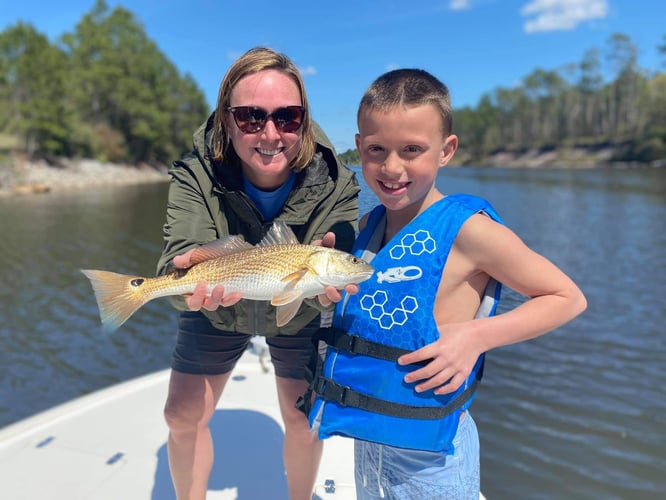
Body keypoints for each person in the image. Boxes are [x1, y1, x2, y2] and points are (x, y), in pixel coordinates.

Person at [306, 69, 588, 499]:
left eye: (412, 150)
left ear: (446, 150)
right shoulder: (367, 226)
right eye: (377, 149)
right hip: (370, 443)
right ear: (359, 147)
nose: (392, 167)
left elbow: (567, 297)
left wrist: (476, 335)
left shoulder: (470, 232)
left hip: (432, 461)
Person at [156, 47, 360, 500]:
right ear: (227, 121)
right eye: (251, 118)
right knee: (181, 417)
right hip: (218, 304)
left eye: (288, 117)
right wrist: (185, 279)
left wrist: (334, 280)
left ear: (303, 120)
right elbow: (177, 259)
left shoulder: (339, 183)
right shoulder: (195, 173)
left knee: (302, 418)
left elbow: (341, 257)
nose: (270, 133)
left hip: (300, 303)